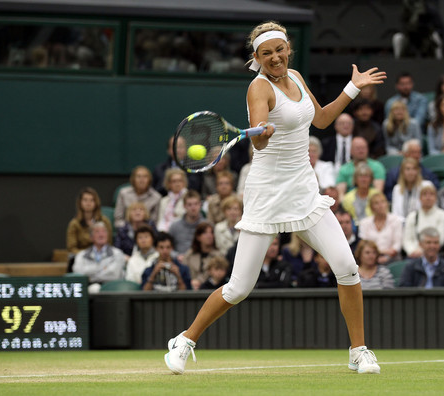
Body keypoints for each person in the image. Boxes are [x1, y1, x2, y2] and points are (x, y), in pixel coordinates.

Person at [164, 21, 386, 376]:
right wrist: (263, 132)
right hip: (267, 192)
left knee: (347, 268)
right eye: (266, 54)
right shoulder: (258, 88)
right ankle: (185, 340)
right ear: (257, 58)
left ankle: (359, 351)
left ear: (288, 50)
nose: (275, 58)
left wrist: (352, 88)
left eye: (279, 51)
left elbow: (324, 119)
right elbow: (259, 142)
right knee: (238, 288)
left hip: (303, 190)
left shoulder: (296, 76)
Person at [72, 222, 125, 293]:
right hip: (87, 289)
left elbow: (114, 275)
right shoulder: (81, 255)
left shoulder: (117, 253)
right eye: (97, 232)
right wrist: (103, 268)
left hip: (111, 290)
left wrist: (90, 276)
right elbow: (78, 274)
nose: (101, 235)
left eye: (104, 231)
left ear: (108, 235)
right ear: (91, 237)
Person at [403, 184, 444, 258]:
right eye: (425, 194)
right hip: (414, 254)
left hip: (435, 253)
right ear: (420, 198)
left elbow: (441, 239)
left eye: (431, 194)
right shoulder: (412, 216)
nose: (428, 197)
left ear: (436, 198)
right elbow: (407, 239)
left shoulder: (443, 215)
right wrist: (412, 251)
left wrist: (424, 252)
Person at [358, 193, 403, 264]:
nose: (380, 205)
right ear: (371, 207)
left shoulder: (396, 220)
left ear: (387, 204)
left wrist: (386, 256)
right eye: (376, 203)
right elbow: (363, 245)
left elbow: (397, 245)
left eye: (383, 202)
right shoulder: (364, 223)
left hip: (392, 259)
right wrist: (378, 254)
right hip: (370, 259)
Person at [66, 187, 112, 255]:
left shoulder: (104, 221)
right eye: (85, 200)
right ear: (80, 202)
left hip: (103, 256)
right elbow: (71, 248)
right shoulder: (74, 224)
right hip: (81, 257)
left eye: (92, 200)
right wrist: (87, 255)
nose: (88, 203)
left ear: (96, 202)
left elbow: (109, 243)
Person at [181, 222, 223, 290]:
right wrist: (191, 282)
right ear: (198, 237)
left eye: (211, 233)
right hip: (190, 289)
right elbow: (183, 272)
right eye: (205, 233)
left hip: (211, 290)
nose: (209, 236)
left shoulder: (219, 256)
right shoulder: (189, 255)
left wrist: (199, 281)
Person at [168, 190, 206, 256]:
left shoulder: (207, 225)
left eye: (196, 204)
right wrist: (177, 256)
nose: (193, 208)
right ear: (184, 206)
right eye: (189, 205)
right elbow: (168, 247)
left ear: (200, 205)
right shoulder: (175, 226)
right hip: (180, 261)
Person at [156, 168, 188, 232]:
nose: (177, 184)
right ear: (169, 184)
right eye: (174, 181)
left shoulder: (189, 198)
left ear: (184, 182)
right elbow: (160, 220)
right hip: (163, 232)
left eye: (180, 181)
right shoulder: (163, 201)